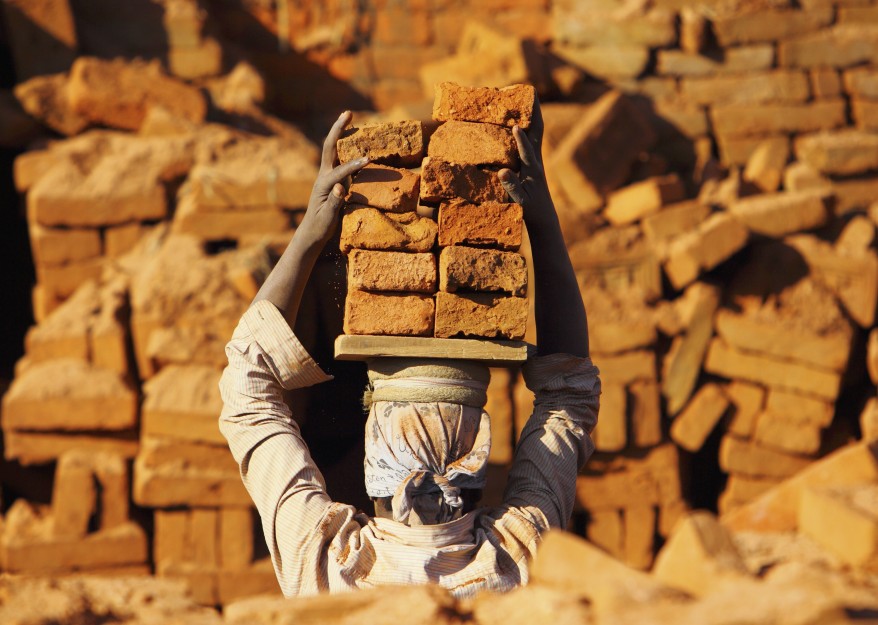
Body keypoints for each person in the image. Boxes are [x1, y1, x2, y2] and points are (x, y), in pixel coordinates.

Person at [218, 100, 601, 599]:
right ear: (477, 459)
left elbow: (248, 384)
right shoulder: (515, 561)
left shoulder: (330, 566)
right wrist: (544, 222)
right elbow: (568, 397)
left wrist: (314, 227)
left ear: (372, 447)